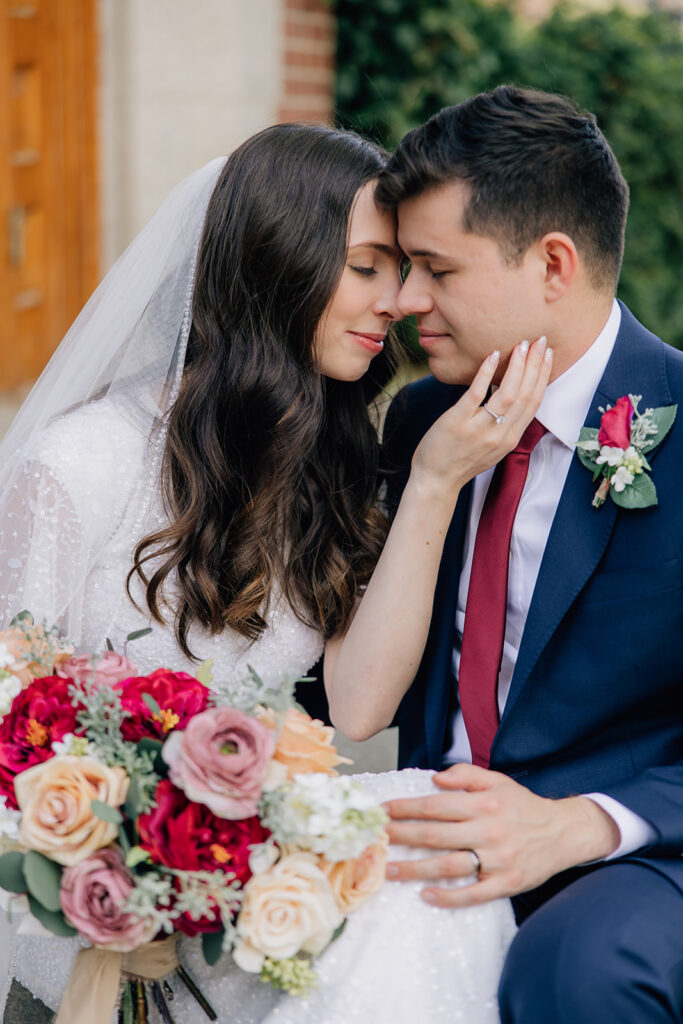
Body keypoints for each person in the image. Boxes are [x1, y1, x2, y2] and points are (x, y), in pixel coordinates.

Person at [0, 123, 548, 1022]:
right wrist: (125, 859)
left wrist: (436, 481)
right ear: (279, 262)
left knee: (435, 889)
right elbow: (10, 729)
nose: (401, 300)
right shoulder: (82, 465)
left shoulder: (329, 462)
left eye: (408, 270)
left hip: (257, 911)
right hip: (97, 929)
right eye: (370, 266)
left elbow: (362, 706)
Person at [326, 85, 683, 1023]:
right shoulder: (418, 421)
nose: (404, 303)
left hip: (633, 850)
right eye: (400, 267)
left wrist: (577, 824)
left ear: (552, 263)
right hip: (424, 828)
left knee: (575, 971)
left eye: (434, 269)